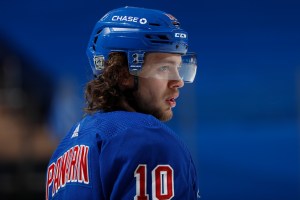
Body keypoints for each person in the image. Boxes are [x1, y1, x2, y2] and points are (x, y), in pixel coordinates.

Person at [45, 6, 199, 200]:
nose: (178, 82)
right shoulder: (146, 138)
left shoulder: (65, 149)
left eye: (178, 67)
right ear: (123, 74)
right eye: (164, 68)